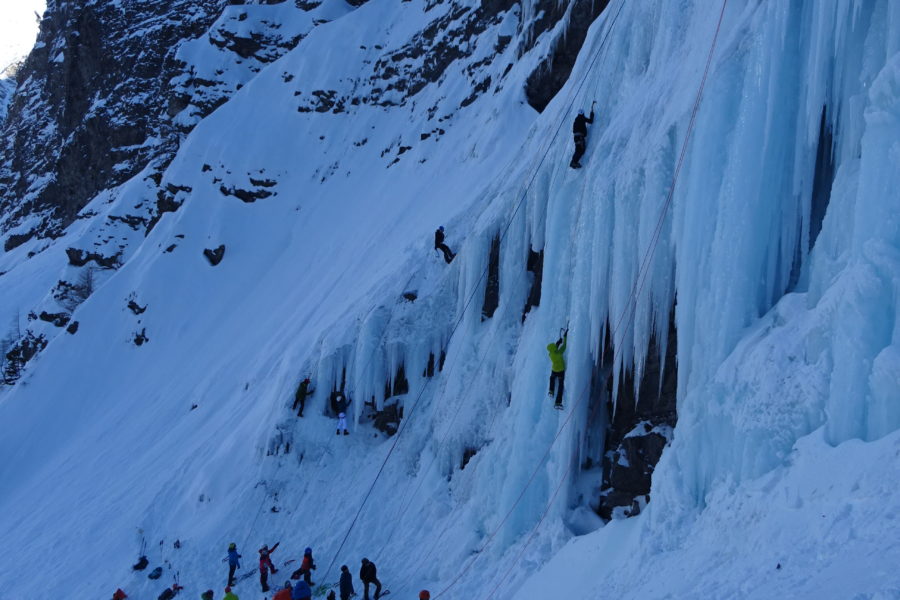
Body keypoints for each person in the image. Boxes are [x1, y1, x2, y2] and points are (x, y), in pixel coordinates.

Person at [546, 330, 567, 408]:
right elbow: (564, 346)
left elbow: (554, 348)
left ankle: (551, 391)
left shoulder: (551, 354)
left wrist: (558, 343)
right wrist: (565, 337)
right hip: (561, 371)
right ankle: (558, 402)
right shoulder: (559, 354)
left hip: (554, 370)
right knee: (560, 386)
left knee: (552, 379)